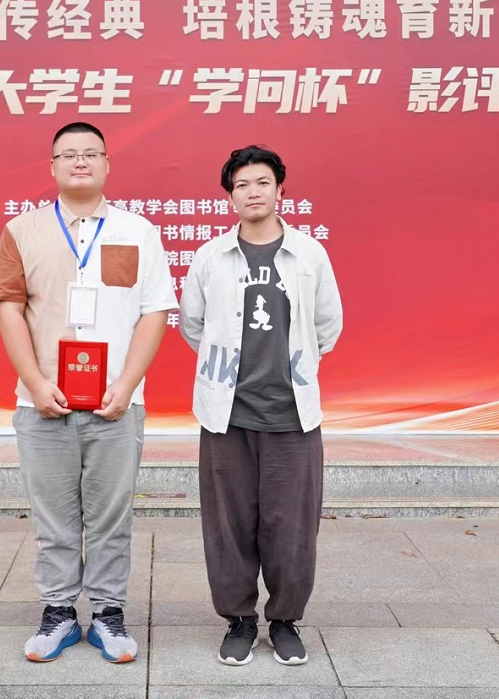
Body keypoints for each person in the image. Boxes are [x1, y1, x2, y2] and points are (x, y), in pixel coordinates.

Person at [0, 121, 176, 663]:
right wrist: (35, 382)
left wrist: (127, 384)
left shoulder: (139, 231)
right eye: (68, 154)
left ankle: (110, 614)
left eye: (91, 153)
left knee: (112, 517)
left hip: (117, 404)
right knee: (53, 518)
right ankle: (59, 613)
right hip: (42, 403)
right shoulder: (21, 230)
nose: (80, 162)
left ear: (108, 164)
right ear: (52, 167)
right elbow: (8, 311)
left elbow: (154, 312)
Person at [179, 145, 343, 667]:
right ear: (230, 196)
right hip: (226, 415)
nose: (253, 192)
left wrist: (294, 368)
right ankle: (240, 620)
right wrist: (227, 371)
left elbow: (327, 325)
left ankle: (286, 620)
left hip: (293, 416)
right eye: (242, 185)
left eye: (262, 182)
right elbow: (193, 324)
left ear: (280, 189)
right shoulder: (210, 257)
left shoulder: (309, 254)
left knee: (291, 526)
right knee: (228, 525)